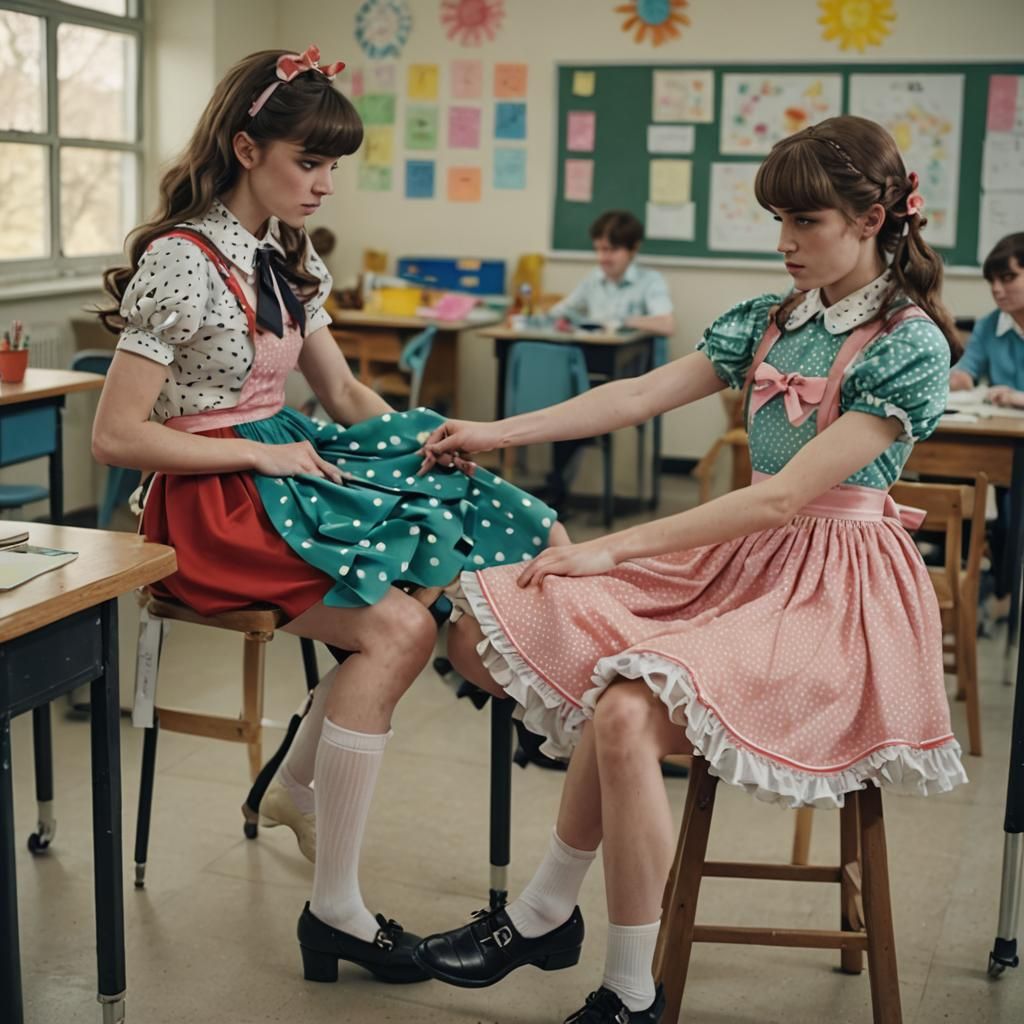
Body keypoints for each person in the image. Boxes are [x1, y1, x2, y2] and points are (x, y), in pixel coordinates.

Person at [413, 115, 968, 1023]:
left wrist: (610, 546)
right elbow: (638, 393)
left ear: (873, 219)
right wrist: (494, 431)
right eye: (779, 222)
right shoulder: (773, 319)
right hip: (739, 563)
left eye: (806, 222)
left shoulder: (909, 344)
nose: (785, 243)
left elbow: (781, 500)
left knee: (626, 705)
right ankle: (554, 921)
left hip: (835, 592)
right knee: (506, 628)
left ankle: (611, 974)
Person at [93, 45, 563, 987]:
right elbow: (115, 436)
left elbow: (344, 394)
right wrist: (256, 452)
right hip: (212, 504)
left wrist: (422, 446)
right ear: (245, 149)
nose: (324, 184)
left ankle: (322, 776)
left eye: (332, 165)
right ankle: (333, 900)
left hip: (286, 470)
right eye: (308, 162)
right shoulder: (181, 261)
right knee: (399, 627)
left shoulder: (287, 252)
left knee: (455, 513)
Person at [543, 210, 676, 513]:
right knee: (562, 400)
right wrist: (562, 320)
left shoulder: (649, 281)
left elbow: (667, 324)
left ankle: (557, 487)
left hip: (633, 374)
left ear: (633, 249)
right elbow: (559, 311)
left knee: (577, 407)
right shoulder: (594, 279)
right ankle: (556, 486)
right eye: (599, 249)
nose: (603, 257)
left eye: (611, 250)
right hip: (591, 370)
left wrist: (621, 321)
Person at [949, 231, 1024, 612]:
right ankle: (979, 585)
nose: (997, 289)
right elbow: (966, 371)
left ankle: (1005, 592)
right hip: (1004, 443)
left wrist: (1018, 398)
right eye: (992, 281)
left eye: (1008, 278)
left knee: (1012, 508)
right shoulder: (989, 325)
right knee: (956, 477)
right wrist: (956, 377)